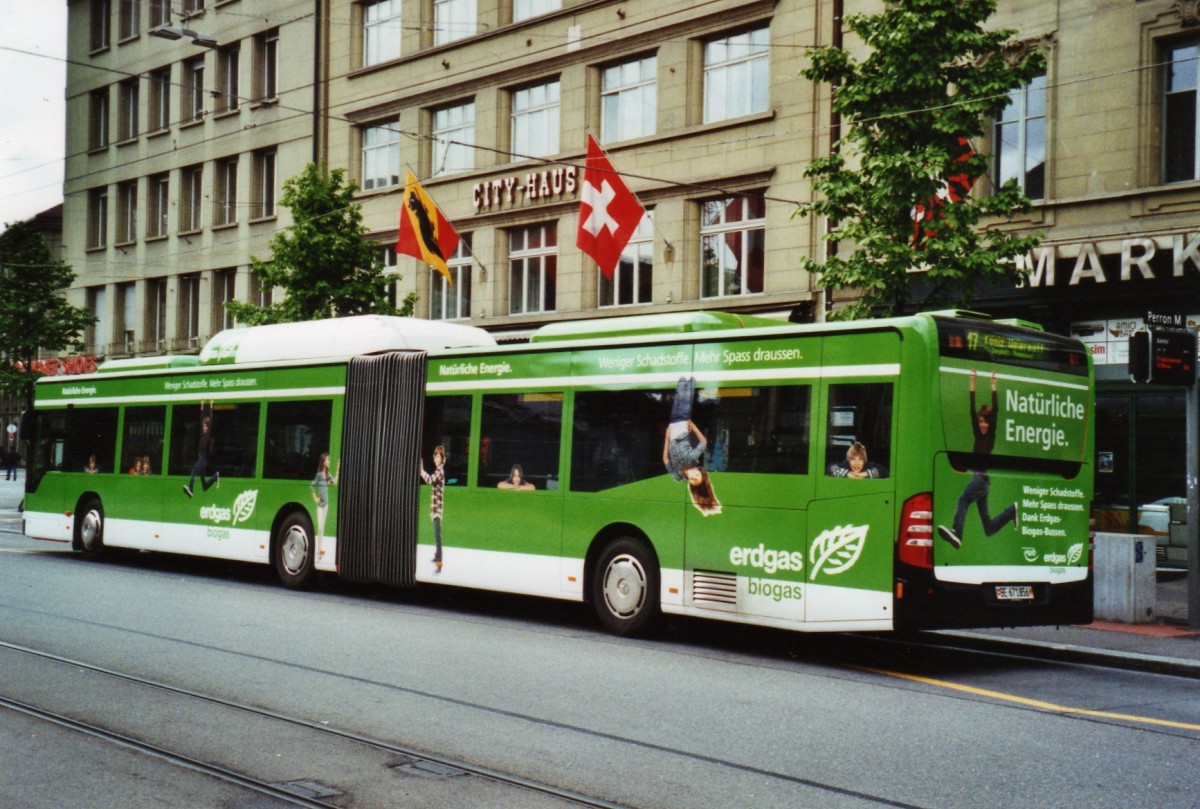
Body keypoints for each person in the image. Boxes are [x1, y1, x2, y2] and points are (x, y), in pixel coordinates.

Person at [937, 370, 1018, 549]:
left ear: (990, 424)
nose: (982, 425)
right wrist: (972, 384)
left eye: (985, 422)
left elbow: (996, 411)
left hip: (981, 479)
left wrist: (993, 386)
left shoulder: (990, 437)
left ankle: (957, 533)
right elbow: (971, 411)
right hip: (981, 481)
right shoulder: (977, 433)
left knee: (962, 500)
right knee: (988, 527)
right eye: (981, 422)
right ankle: (1011, 510)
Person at [663, 376, 721, 516]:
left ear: (690, 483)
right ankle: (690, 380)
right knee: (685, 400)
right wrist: (694, 427)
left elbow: (665, 460)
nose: (694, 474)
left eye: (693, 479)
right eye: (697, 475)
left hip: (672, 427)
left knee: (678, 397)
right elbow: (704, 443)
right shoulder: (692, 458)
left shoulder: (677, 476)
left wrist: (667, 436)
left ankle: (683, 381)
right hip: (683, 426)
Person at [183, 400, 219, 498]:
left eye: (205, 426)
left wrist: (211, 406)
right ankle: (215, 477)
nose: (204, 427)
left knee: (193, 472)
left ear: (208, 427)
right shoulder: (202, 434)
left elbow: (210, 420)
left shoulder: (207, 435)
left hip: (202, 460)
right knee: (204, 486)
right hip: (202, 459)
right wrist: (202, 406)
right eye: (203, 426)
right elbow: (201, 419)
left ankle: (191, 489)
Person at [419, 446, 447, 573]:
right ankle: (437, 556)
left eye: (438, 456)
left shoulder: (440, 471)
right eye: (435, 456)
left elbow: (430, 480)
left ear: (442, 459)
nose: (436, 458)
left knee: (438, 536)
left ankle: (439, 564)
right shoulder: (439, 470)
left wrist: (421, 471)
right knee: (437, 535)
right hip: (436, 508)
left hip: (437, 509)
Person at [310, 452, 339, 543]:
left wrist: (338, 471)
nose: (329, 461)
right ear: (323, 462)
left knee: (323, 529)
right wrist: (315, 499)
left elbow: (334, 483)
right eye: (328, 459)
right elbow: (312, 486)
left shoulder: (327, 475)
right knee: (319, 528)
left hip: (326, 505)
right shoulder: (319, 475)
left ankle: (320, 551)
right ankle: (318, 551)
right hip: (320, 505)